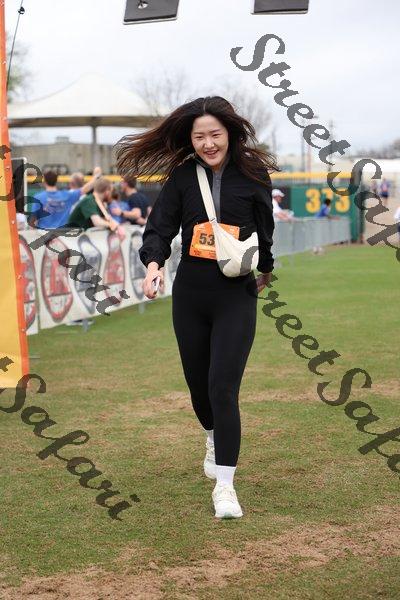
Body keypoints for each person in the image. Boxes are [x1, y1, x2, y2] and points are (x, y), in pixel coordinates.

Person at [115, 96, 276, 519]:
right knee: (199, 388)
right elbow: (160, 227)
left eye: (215, 134)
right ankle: (212, 435)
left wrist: (266, 267)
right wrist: (153, 266)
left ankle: (225, 487)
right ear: (191, 139)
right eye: (200, 136)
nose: (208, 143)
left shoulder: (253, 174)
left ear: (230, 134)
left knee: (223, 387)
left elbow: (266, 226)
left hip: (236, 293)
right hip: (190, 293)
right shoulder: (183, 176)